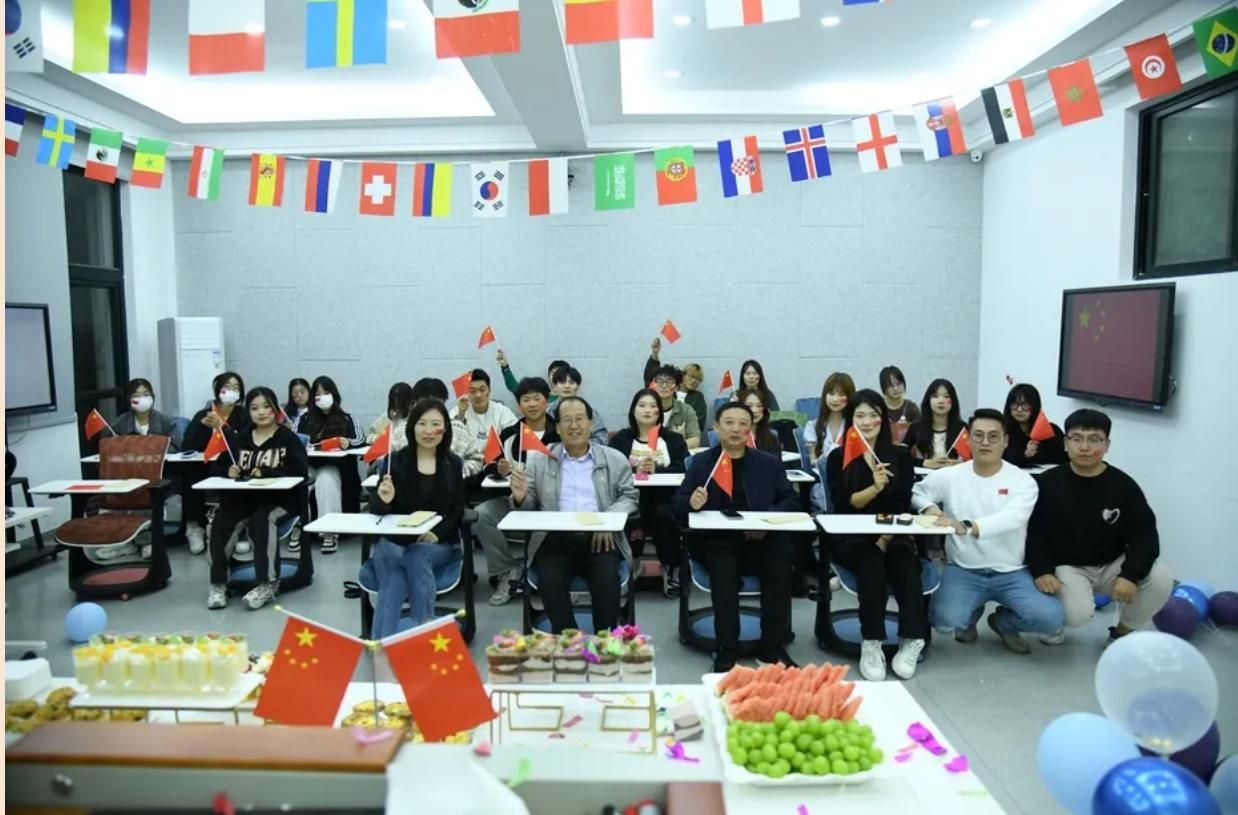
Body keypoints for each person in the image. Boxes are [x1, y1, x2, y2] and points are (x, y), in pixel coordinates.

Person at [912, 409, 1064, 654]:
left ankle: (1004, 623)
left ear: (1006, 441)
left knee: (1051, 619)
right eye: (978, 435)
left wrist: (968, 527)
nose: (985, 442)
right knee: (943, 620)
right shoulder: (952, 476)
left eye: (993, 436)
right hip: (963, 569)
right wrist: (930, 508)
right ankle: (970, 615)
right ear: (969, 439)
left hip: (1012, 571)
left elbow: (1013, 518)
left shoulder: (1022, 480)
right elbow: (917, 492)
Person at [1027, 409, 1173, 644]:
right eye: (1077, 439)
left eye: (1094, 439)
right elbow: (1034, 533)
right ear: (1065, 443)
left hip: (1111, 565)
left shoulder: (1123, 486)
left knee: (1161, 578)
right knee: (1078, 614)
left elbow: (1144, 534)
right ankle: (1054, 623)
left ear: (1107, 445)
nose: (1085, 447)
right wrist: (1042, 570)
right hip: (1069, 567)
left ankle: (1122, 633)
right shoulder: (1046, 483)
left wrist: (1130, 575)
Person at [672, 403, 799, 672]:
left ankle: (771, 647)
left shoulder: (768, 463)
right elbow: (677, 505)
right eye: (729, 423)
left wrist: (765, 523)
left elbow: (790, 500)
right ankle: (726, 649)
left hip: (762, 538)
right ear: (716, 427)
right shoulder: (702, 463)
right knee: (724, 571)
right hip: (717, 541)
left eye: (743, 423)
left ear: (750, 429)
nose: (736, 429)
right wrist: (692, 502)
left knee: (780, 562)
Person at [509, 396, 638, 633]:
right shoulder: (540, 459)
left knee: (606, 579)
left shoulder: (614, 459)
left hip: (600, 538)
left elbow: (629, 497)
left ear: (591, 424)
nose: (574, 425)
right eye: (566, 420)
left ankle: (604, 640)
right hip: (555, 538)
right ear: (557, 427)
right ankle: (569, 639)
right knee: (550, 579)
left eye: (580, 419)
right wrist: (520, 497)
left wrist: (606, 523)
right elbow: (528, 506)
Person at [826, 390, 925, 680]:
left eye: (873, 415)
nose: (867, 422)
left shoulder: (900, 456)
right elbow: (844, 504)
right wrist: (875, 488)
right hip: (851, 535)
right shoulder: (838, 457)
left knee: (905, 561)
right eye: (860, 415)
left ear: (883, 420)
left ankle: (912, 639)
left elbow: (903, 504)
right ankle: (871, 641)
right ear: (851, 420)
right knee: (870, 561)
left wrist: (884, 538)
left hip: (892, 533)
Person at [365, 399, 465, 638]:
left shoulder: (452, 463)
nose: (429, 431)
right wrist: (384, 500)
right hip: (395, 543)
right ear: (412, 428)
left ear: (445, 429)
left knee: (416, 555)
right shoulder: (394, 462)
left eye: (436, 424)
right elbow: (376, 509)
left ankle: (418, 632)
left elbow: (457, 509)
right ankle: (397, 642)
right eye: (422, 423)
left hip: (436, 544)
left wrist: (436, 534)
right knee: (394, 578)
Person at [206, 386, 308, 611]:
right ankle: (218, 583)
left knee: (262, 520)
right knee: (222, 521)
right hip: (246, 499)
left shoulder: (287, 438)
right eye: (254, 408)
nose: (261, 412)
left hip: (281, 500)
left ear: (275, 409)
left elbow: (300, 470)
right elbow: (220, 465)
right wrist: (228, 471)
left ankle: (268, 583)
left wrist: (267, 472)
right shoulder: (240, 438)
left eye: (266, 407)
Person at [475, 377, 562, 605]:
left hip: (554, 502)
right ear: (519, 405)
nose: (531, 404)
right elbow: (487, 464)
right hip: (516, 499)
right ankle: (507, 570)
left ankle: (527, 570)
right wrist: (498, 468)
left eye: (536, 398)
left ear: (546, 401)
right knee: (481, 515)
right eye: (526, 399)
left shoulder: (561, 431)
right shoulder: (510, 433)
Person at [609, 389, 690, 597]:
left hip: (666, 495)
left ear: (660, 412)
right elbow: (611, 468)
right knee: (632, 513)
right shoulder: (621, 439)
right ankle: (631, 562)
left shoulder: (673, 440)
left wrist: (658, 469)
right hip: (631, 495)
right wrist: (634, 469)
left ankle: (670, 566)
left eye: (653, 406)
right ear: (633, 410)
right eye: (642, 405)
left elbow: (684, 468)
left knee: (664, 513)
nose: (647, 410)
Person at [182, 372, 251, 555]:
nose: (232, 391)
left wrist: (223, 426)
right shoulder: (204, 414)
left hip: (233, 463)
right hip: (205, 464)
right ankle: (194, 526)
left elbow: (245, 443)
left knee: (240, 476)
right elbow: (188, 446)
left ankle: (240, 527)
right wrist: (202, 427)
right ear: (218, 390)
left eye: (236, 388)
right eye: (227, 387)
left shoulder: (244, 415)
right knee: (190, 474)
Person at [298, 376, 366, 554]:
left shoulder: (347, 419)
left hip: (336, 467)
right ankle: (298, 528)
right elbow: (293, 440)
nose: (322, 397)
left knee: (326, 478)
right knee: (300, 481)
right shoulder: (304, 419)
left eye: (326, 392)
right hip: (309, 464)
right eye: (318, 393)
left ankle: (329, 532)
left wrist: (348, 443)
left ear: (334, 395)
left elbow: (361, 440)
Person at [803, 372, 854, 513]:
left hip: (849, 483)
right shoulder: (814, 426)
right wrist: (825, 459)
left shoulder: (854, 427)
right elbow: (812, 461)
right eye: (831, 393)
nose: (835, 399)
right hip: (823, 483)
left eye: (842, 394)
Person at [410, 378, 482, 478]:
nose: (431, 408)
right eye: (426, 403)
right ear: (415, 404)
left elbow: (477, 460)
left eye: (436, 403)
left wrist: (458, 470)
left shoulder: (457, 428)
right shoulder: (402, 431)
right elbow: (391, 463)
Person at [642, 337, 708, 432]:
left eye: (698, 379)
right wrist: (654, 354)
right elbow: (651, 379)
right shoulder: (667, 390)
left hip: (685, 434)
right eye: (691, 377)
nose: (694, 381)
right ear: (683, 375)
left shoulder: (698, 397)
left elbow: (699, 424)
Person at [905, 379, 966, 469]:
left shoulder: (963, 429)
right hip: (924, 476)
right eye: (935, 396)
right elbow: (901, 456)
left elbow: (973, 459)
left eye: (946, 396)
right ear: (928, 400)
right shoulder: (916, 428)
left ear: (953, 401)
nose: (941, 401)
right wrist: (925, 463)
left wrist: (958, 464)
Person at [456, 369, 518, 455]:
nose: (478, 395)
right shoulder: (458, 411)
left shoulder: (503, 411)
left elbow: (515, 438)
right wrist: (461, 415)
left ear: (489, 390)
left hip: (497, 460)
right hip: (467, 461)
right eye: (472, 391)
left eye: (482, 390)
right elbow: (452, 442)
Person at [1002, 383, 1066, 468]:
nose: (1019, 409)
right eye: (1014, 405)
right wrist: (1025, 454)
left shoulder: (1052, 431)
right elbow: (1001, 457)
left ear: (1034, 406)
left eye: (1025, 405)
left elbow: (1063, 457)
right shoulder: (1003, 430)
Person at [112, 378, 181, 449]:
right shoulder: (120, 423)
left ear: (152, 397)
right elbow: (111, 445)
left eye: (146, 394)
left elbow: (175, 446)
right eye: (136, 395)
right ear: (129, 399)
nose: (142, 399)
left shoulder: (166, 422)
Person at [549, 366, 608, 444]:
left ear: (578, 387)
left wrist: (580, 446)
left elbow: (601, 438)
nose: (567, 386)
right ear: (554, 387)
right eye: (562, 382)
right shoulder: (547, 412)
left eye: (571, 382)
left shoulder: (589, 411)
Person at [650, 364, 701, 449]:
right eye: (660, 381)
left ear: (677, 387)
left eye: (669, 382)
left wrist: (672, 448)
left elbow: (695, 439)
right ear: (654, 385)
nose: (664, 386)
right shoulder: (646, 409)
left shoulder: (686, 410)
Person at [497, 350, 569, 402]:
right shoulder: (540, 395)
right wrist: (505, 367)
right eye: (553, 373)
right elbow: (515, 388)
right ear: (548, 375)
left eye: (560, 373)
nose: (556, 376)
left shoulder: (570, 397)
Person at [367, 382, 414, 452]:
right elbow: (369, 436)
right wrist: (382, 439)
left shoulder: (418, 419)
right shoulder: (387, 418)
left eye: (400, 406)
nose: (397, 410)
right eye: (394, 406)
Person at [878, 366, 920, 443]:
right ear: (884, 387)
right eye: (891, 386)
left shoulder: (911, 408)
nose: (896, 389)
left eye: (899, 384)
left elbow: (920, 432)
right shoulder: (878, 407)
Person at [737, 388, 782, 455]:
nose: (754, 410)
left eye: (759, 406)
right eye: (749, 406)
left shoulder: (771, 439)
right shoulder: (732, 437)